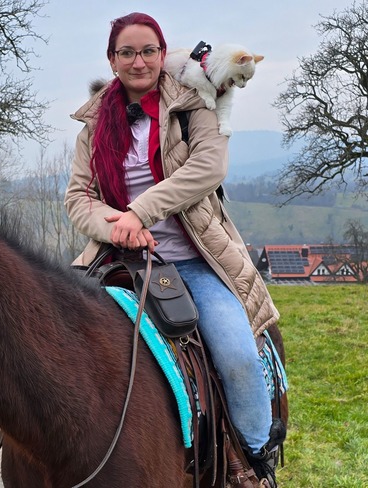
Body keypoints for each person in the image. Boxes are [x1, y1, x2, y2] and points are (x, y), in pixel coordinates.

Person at [64, 11, 284, 487]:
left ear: (162, 55)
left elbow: (209, 167)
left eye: (148, 51)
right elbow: (77, 197)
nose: (138, 61)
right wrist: (115, 227)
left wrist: (138, 213)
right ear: (112, 59)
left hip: (194, 261)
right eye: (127, 52)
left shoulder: (194, 104)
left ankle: (251, 462)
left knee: (238, 356)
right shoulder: (92, 125)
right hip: (117, 261)